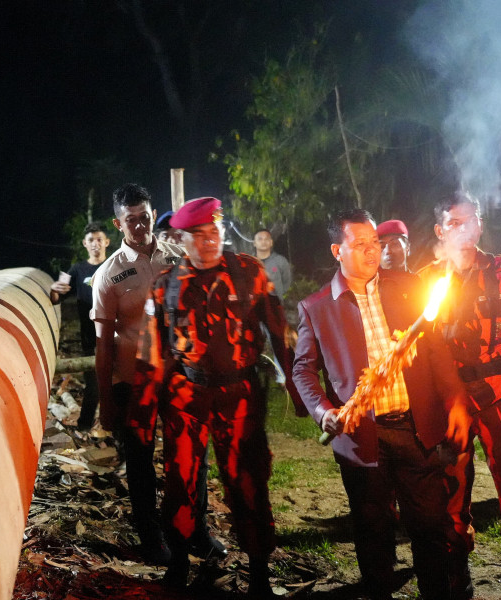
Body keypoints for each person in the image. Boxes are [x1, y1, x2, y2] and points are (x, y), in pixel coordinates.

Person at [293, 208, 471, 600]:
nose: (372, 251)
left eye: (375, 242)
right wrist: (324, 411)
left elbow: (436, 350)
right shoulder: (317, 306)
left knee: (428, 525)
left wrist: (456, 400)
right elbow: (303, 371)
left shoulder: (407, 285)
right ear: (337, 250)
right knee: (373, 532)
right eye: (360, 245)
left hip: (415, 428)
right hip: (362, 439)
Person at [131, 197, 303, 597]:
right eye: (198, 236)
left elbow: (280, 333)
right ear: (181, 239)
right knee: (181, 482)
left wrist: (297, 389)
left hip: (240, 396)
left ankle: (259, 570)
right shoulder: (165, 285)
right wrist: (141, 417)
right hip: (186, 397)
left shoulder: (249, 272)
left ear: (223, 232)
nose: (208, 242)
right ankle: (178, 562)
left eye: (214, 233)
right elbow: (151, 355)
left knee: (248, 482)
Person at [416, 191, 501, 599]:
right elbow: (421, 345)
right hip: (451, 398)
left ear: (481, 225)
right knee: (450, 486)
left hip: (500, 392)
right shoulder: (427, 278)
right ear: (440, 230)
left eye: (472, 220)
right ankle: (457, 571)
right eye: (454, 222)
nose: (465, 229)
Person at [90, 183, 223, 564]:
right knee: (141, 462)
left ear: (152, 214)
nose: (139, 225)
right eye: (130, 220)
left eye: (144, 217)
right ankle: (151, 538)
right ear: (118, 223)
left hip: (181, 378)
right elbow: (103, 345)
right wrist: (105, 399)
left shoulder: (178, 257)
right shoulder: (108, 276)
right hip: (132, 385)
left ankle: (196, 532)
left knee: (193, 457)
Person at [49, 223, 110, 430]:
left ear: (107, 242)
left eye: (99, 239)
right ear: (85, 244)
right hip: (89, 338)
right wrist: (54, 289)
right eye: (91, 240)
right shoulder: (76, 269)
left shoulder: (115, 266)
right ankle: (84, 426)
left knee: (117, 386)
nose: (96, 244)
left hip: (116, 336)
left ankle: (116, 431)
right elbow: (57, 296)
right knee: (93, 386)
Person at [253, 229, 293, 298]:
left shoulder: (280, 261)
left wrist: (274, 290)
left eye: (266, 239)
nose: (263, 242)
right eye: (260, 239)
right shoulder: (248, 263)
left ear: (271, 242)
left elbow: (287, 283)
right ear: (254, 243)